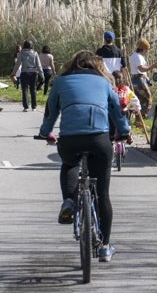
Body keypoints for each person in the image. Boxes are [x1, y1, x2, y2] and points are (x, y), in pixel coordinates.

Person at [38, 50, 131, 263]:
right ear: (97, 67)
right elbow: (117, 110)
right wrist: (124, 132)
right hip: (99, 139)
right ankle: (105, 247)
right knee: (103, 194)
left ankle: (69, 201)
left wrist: (46, 132)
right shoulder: (104, 82)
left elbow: (50, 111)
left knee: (69, 163)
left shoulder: (61, 81)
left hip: (70, 139)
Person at [128, 38, 157, 116]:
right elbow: (141, 69)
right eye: (146, 49)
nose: (147, 52)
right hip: (139, 80)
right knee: (147, 99)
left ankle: (138, 119)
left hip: (136, 79)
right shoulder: (138, 57)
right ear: (143, 48)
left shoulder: (134, 55)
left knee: (138, 100)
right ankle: (142, 117)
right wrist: (153, 66)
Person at [15, 40, 42, 111]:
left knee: (25, 90)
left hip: (24, 72)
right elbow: (38, 65)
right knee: (33, 90)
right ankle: (34, 107)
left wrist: (13, 73)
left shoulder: (21, 53)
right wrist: (42, 74)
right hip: (33, 73)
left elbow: (17, 64)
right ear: (31, 45)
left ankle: (26, 107)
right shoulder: (35, 53)